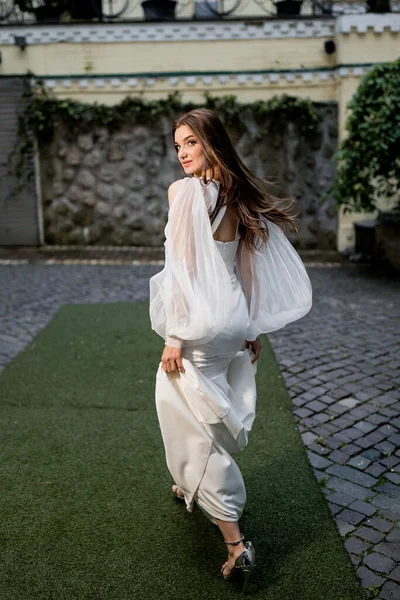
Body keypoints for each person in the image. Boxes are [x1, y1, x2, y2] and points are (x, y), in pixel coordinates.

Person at [149, 108, 312, 593]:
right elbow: (246, 267)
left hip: (199, 322)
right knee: (205, 400)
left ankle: (235, 542)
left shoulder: (186, 193)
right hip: (233, 318)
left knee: (180, 410)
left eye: (190, 144)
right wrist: (252, 327)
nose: (181, 153)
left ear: (210, 144)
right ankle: (187, 484)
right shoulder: (236, 194)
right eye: (177, 145)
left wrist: (174, 334)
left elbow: (179, 269)